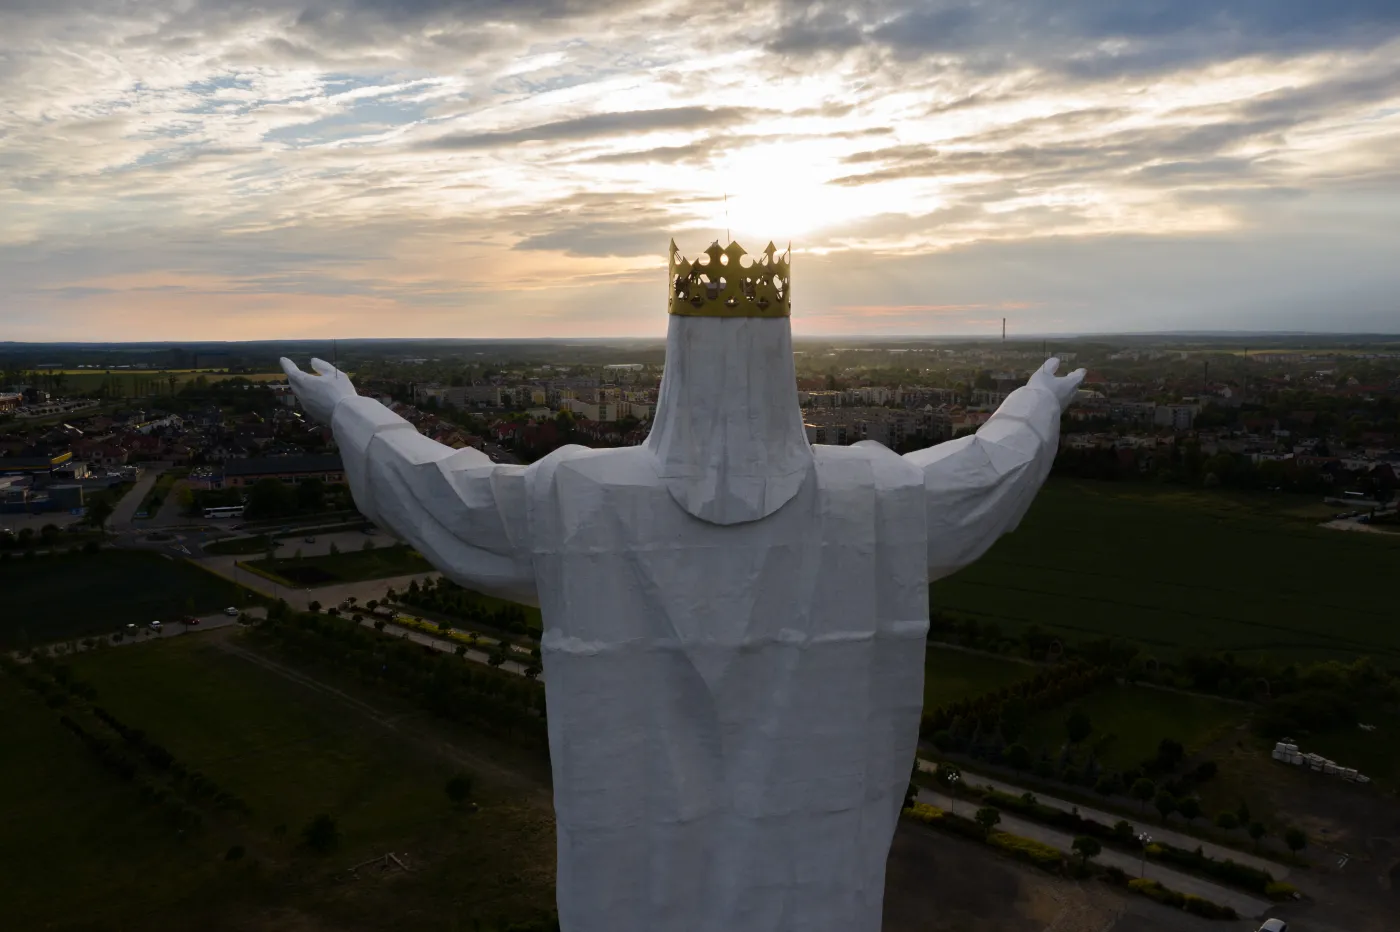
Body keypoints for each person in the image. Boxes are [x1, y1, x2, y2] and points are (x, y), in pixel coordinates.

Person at [283, 240, 1083, 932]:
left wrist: (350, 411)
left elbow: (441, 490)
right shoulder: (867, 496)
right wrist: (1035, 404)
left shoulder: (580, 494)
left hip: (645, 878)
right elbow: (985, 472)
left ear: (675, 361)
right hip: (807, 880)